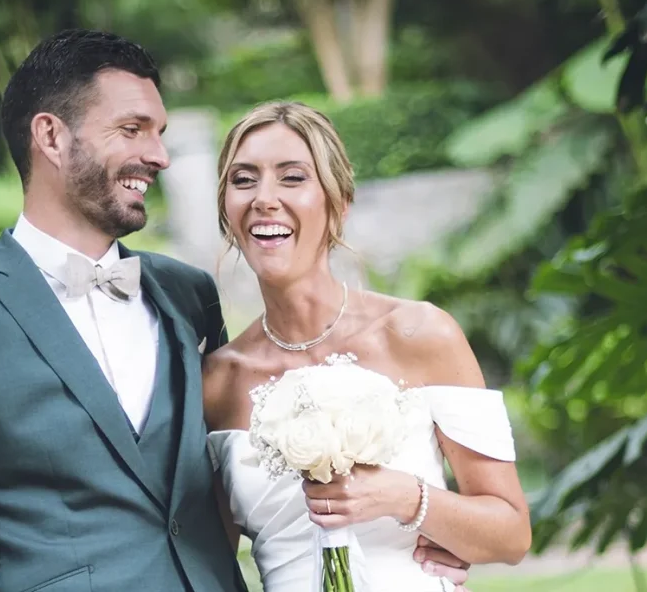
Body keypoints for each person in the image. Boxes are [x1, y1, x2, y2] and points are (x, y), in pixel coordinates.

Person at [0, 29, 247, 592]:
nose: (159, 156)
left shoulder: (187, 293)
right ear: (51, 136)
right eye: (132, 129)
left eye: (160, 133)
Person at [203, 101, 532, 591]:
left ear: (339, 203)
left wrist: (407, 498)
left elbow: (511, 535)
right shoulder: (217, 383)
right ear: (226, 210)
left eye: (292, 178)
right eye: (244, 180)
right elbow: (207, 568)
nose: (264, 198)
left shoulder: (419, 334)